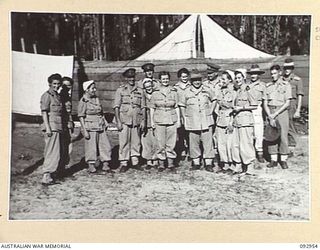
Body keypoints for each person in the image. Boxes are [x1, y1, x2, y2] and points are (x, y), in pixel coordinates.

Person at [179, 71, 217, 172]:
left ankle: (208, 163)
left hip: (206, 120)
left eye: (198, 80)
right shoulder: (186, 92)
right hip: (192, 120)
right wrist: (184, 118)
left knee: (208, 142)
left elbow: (214, 99)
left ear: (201, 80)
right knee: (193, 142)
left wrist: (211, 111)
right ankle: (196, 163)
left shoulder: (207, 90)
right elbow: (182, 106)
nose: (197, 82)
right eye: (194, 80)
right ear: (191, 81)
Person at [113, 68, 145, 172]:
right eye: (129, 77)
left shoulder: (140, 90)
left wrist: (143, 120)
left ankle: (135, 161)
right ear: (126, 78)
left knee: (136, 141)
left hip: (136, 119)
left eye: (133, 77)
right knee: (124, 141)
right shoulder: (120, 90)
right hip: (124, 119)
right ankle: (124, 162)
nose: (131, 79)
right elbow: (116, 107)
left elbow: (143, 107)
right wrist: (118, 121)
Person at [78, 80, 112, 174]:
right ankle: (91, 166)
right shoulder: (83, 100)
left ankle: (105, 164)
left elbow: (100, 112)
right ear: (87, 90)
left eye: (94, 88)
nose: (94, 90)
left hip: (100, 125)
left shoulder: (96, 99)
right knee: (91, 147)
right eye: (92, 88)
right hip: (90, 126)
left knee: (105, 145)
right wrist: (84, 130)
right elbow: (81, 116)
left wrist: (105, 121)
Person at [150, 71, 179, 172]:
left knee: (171, 142)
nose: (165, 81)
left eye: (167, 79)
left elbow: (177, 107)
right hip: (159, 119)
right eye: (163, 79)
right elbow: (152, 108)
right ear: (159, 80)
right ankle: (161, 164)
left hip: (171, 119)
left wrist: (178, 120)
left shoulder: (174, 91)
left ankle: (170, 164)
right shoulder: (155, 92)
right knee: (160, 142)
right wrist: (152, 122)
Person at [264, 65, 292, 169]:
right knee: (271, 136)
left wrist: (275, 114)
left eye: (275, 73)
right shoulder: (268, 86)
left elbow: (287, 103)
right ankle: (273, 159)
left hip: (281, 112)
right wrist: (269, 115)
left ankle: (283, 159)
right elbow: (265, 102)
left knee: (283, 135)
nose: (273, 76)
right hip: (271, 111)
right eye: (271, 74)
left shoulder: (286, 85)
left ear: (280, 73)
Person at [232, 69, 258, 173]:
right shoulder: (238, 91)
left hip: (246, 121)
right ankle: (238, 165)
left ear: (244, 78)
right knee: (236, 144)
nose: (237, 80)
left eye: (239, 78)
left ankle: (250, 166)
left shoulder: (248, 89)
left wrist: (241, 108)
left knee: (246, 143)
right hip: (237, 121)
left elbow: (255, 105)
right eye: (236, 78)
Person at [40, 73, 63, 185]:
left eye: (58, 84)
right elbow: (44, 112)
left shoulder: (57, 96)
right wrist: (48, 128)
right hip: (51, 127)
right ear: (49, 83)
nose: (56, 86)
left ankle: (50, 175)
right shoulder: (47, 95)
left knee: (55, 151)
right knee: (51, 151)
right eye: (54, 83)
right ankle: (46, 175)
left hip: (57, 126)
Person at [215, 70, 237, 173]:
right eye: (221, 78)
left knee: (230, 144)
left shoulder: (234, 92)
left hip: (229, 119)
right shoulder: (219, 91)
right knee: (221, 144)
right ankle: (225, 165)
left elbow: (234, 109)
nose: (221, 81)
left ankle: (232, 164)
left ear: (229, 80)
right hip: (220, 119)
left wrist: (231, 122)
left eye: (224, 79)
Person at [282, 58, 304, 155]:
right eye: (285, 68)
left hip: (291, 105)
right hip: (282, 105)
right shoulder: (281, 79)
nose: (287, 70)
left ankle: (296, 149)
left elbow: (300, 95)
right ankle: (287, 148)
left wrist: (298, 110)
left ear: (292, 68)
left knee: (291, 127)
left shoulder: (297, 80)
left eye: (289, 68)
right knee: (283, 127)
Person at [246, 64, 267, 164]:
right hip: (248, 109)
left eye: (255, 74)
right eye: (252, 74)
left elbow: (264, 101)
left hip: (258, 110)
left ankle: (260, 153)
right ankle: (251, 154)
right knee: (249, 132)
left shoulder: (263, 85)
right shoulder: (246, 86)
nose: (253, 75)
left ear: (259, 74)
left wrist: (265, 115)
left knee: (259, 133)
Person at [174, 67, 191, 161]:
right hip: (179, 111)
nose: (184, 78)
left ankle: (190, 150)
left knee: (189, 132)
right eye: (182, 76)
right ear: (179, 77)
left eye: (186, 76)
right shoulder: (176, 87)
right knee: (180, 132)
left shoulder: (190, 86)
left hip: (189, 111)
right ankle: (182, 150)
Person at [141, 78, 158, 170]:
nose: (149, 88)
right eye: (146, 86)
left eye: (150, 86)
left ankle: (155, 159)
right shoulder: (142, 95)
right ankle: (148, 160)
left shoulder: (156, 94)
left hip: (155, 119)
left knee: (155, 140)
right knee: (146, 141)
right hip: (145, 120)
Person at [60, 76, 74, 169]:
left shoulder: (68, 97)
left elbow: (69, 111)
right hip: (61, 123)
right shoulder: (59, 96)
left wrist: (71, 121)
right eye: (64, 85)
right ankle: (60, 167)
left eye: (69, 86)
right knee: (62, 145)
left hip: (68, 122)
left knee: (68, 144)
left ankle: (65, 166)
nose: (67, 88)